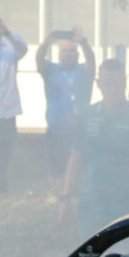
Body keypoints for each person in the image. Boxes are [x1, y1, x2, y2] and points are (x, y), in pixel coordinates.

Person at [63, 59, 129, 227]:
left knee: (126, 244)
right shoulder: (87, 114)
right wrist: (66, 197)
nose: (112, 89)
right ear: (98, 84)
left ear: (125, 83)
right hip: (91, 201)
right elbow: (76, 157)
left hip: (127, 202)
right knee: (92, 244)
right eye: (107, 84)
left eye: (117, 84)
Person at [38, 31, 93, 176]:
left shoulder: (83, 70)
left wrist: (83, 43)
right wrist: (46, 44)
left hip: (79, 131)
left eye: (72, 51)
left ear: (77, 55)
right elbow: (39, 60)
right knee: (57, 171)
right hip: (56, 131)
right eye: (65, 50)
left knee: (79, 171)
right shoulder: (51, 70)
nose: (68, 54)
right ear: (59, 54)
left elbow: (91, 61)